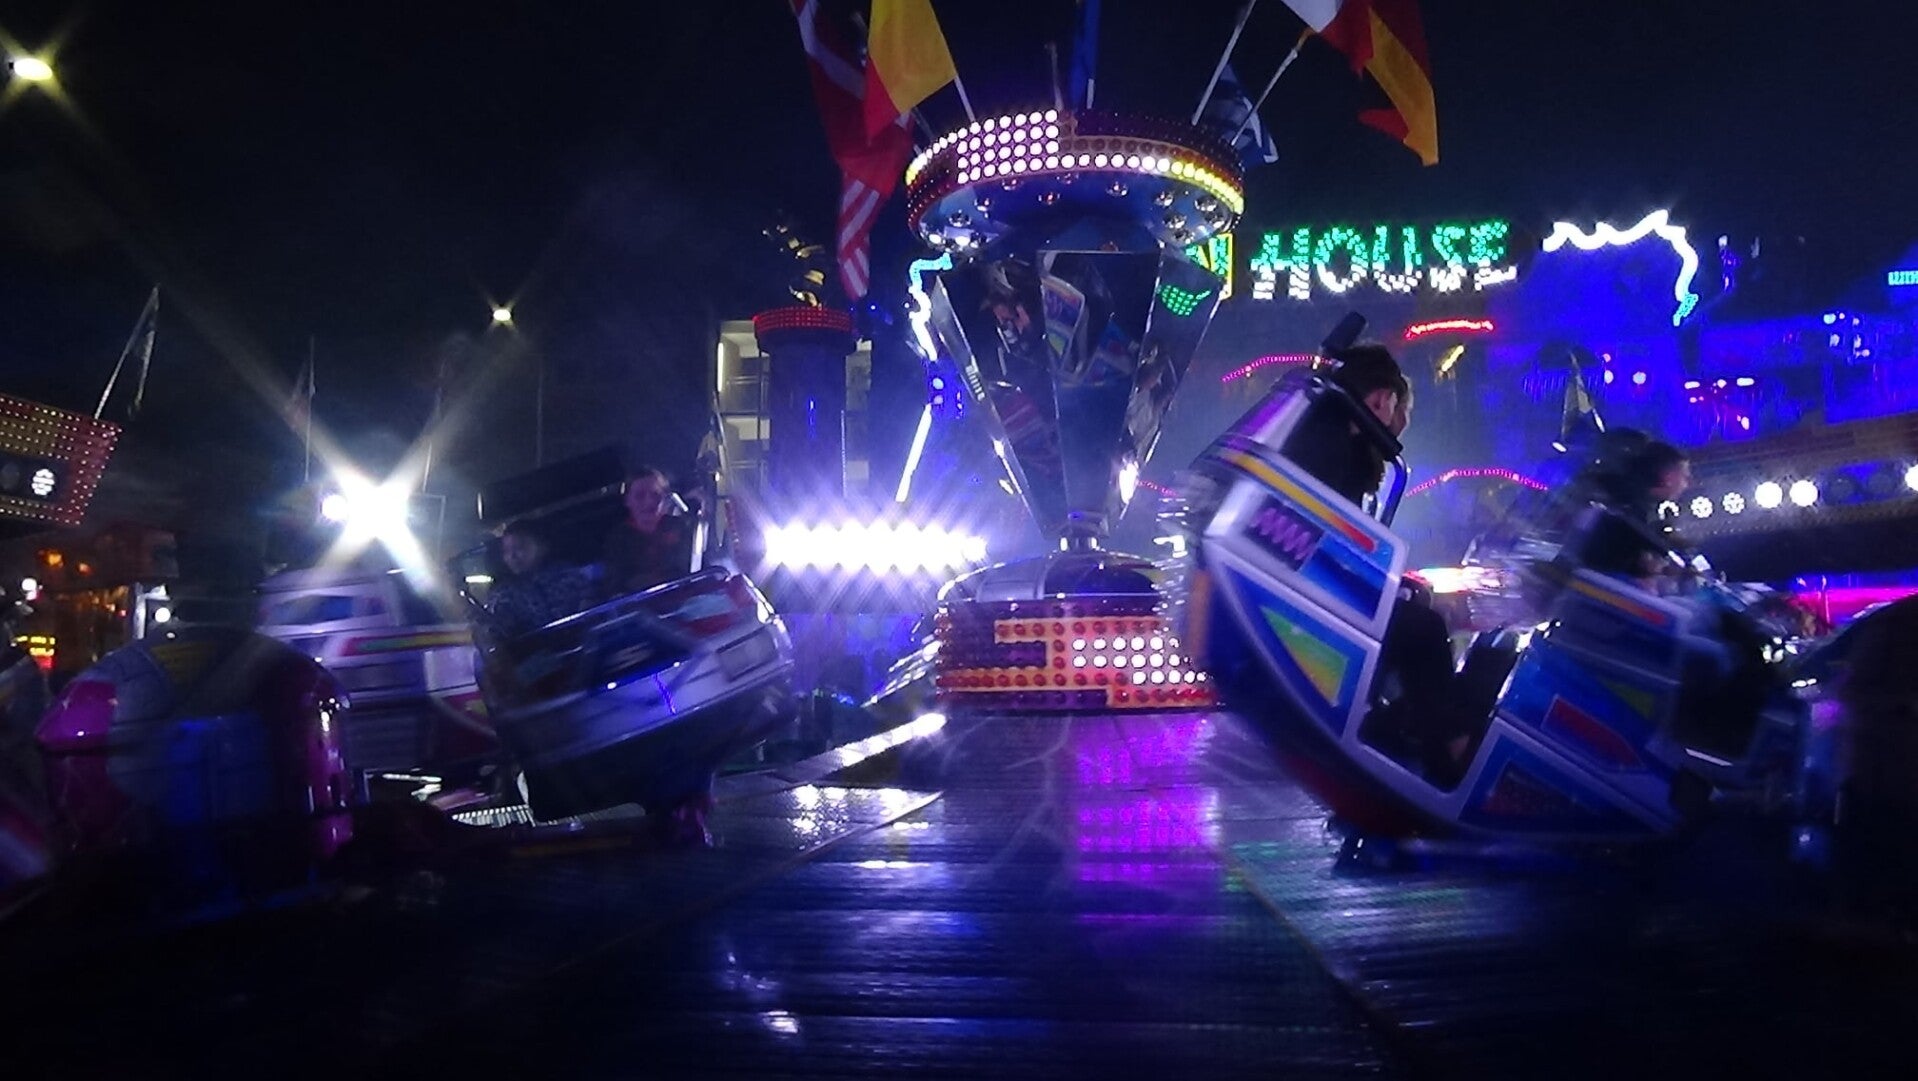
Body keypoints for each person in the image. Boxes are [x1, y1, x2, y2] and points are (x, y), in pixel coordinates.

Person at [1289, 345, 1470, 781]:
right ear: (1380, 400)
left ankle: (1403, 732)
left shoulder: (1338, 440)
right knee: (1424, 629)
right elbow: (1329, 533)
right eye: (1394, 406)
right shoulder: (1331, 445)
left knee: (1417, 610)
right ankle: (1449, 756)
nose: (1396, 417)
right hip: (1311, 586)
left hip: (1316, 577)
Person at [1566, 440, 1691, 590]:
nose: (1686, 485)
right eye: (1684, 477)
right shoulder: (1628, 510)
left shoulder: (1636, 506)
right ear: (1668, 477)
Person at [487, 518, 596, 639]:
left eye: (520, 547)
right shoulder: (502, 595)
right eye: (507, 551)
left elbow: (590, 610)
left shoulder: (568, 576)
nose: (512, 556)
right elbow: (496, 634)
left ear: (543, 547)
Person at [601, 467, 696, 596]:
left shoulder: (683, 527)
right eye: (640, 496)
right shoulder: (618, 540)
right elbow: (617, 585)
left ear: (665, 497)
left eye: (656, 495)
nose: (649, 502)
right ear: (627, 500)